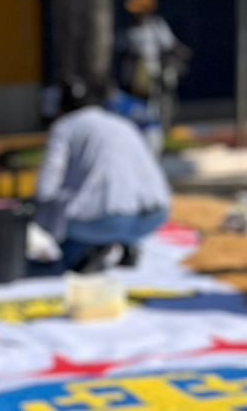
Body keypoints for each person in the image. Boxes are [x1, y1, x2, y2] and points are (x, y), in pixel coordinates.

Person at [33, 77, 171, 272]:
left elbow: (46, 188)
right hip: (152, 216)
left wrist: (40, 212)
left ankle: (87, 252)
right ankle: (126, 244)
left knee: (60, 217)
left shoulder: (65, 126)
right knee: (112, 204)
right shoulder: (121, 123)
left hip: (102, 221)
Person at [118, 0, 189, 131]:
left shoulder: (156, 26)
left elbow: (170, 45)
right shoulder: (128, 31)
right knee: (135, 104)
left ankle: (157, 128)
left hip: (154, 73)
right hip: (133, 76)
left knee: (155, 103)